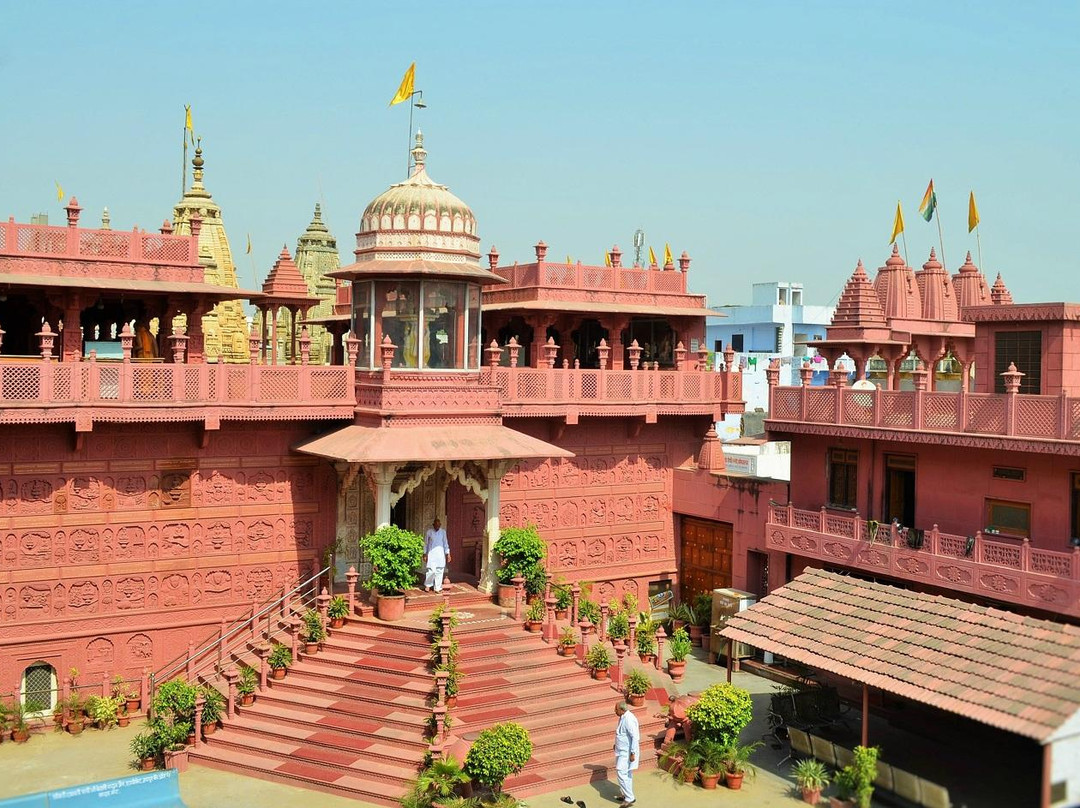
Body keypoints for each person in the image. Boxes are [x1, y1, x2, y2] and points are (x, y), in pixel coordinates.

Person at [613, 701, 639, 806]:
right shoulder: (623, 717)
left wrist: (632, 752)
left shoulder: (629, 719)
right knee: (626, 773)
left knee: (621, 772)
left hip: (627, 752)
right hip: (621, 750)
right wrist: (616, 744)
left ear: (622, 710)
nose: (615, 711)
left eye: (616, 709)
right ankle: (625, 794)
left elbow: (635, 736)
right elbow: (622, 734)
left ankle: (629, 798)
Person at [423, 518, 450, 593]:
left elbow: (445, 543)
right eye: (436, 525)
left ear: (440, 525)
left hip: (440, 555)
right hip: (431, 554)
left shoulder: (443, 532)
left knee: (439, 571)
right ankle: (428, 585)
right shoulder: (429, 532)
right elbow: (425, 543)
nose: (437, 526)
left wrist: (448, 554)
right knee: (431, 571)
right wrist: (424, 553)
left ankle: (437, 588)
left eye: (438, 525)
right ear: (433, 525)